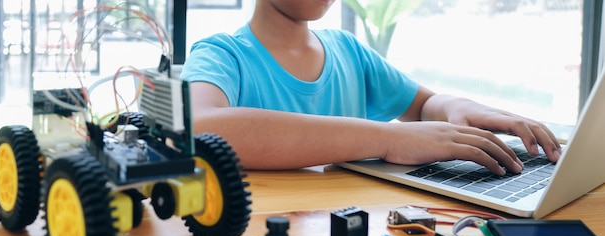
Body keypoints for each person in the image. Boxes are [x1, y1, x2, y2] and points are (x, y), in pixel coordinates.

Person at [180, 0, 561, 176]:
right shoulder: (221, 54)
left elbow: (424, 105)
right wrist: (388, 139)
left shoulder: (348, 50)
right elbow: (201, 130)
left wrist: (455, 107)